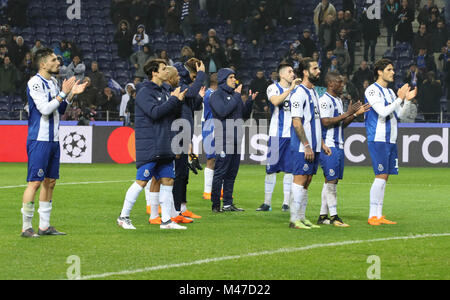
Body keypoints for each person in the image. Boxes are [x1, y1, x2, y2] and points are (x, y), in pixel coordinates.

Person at [21, 48, 87, 238]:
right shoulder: (35, 82)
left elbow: (61, 108)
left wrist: (71, 93)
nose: (58, 63)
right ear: (43, 64)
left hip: (53, 139)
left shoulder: (53, 82)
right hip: (39, 139)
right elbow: (45, 109)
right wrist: (63, 93)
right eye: (54, 60)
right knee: (34, 182)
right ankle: (26, 227)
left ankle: (44, 226)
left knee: (50, 182)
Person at [117, 59, 188, 230]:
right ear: (154, 72)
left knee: (168, 179)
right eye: (163, 69)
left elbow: (170, 115)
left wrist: (177, 101)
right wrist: (173, 100)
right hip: (150, 144)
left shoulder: (164, 91)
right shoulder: (144, 92)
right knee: (142, 181)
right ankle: (123, 217)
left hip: (163, 143)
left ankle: (166, 221)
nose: (166, 71)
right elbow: (155, 113)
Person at [364, 59, 417, 226]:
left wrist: (406, 100)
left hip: (391, 138)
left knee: (385, 177)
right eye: (389, 69)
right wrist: (399, 98)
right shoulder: (372, 90)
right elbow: (383, 111)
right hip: (378, 137)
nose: (393, 72)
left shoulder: (389, 92)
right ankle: (372, 215)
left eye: (393, 69)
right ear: (379, 72)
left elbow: (399, 115)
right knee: (380, 176)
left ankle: (379, 214)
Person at [317, 72, 370, 227]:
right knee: (331, 180)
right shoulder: (325, 101)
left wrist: (353, 115)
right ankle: (334, 217)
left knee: (331, 181)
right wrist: (348, 113)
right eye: (339, 83)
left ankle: (322, 215)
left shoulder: (338, 101)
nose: (342, 85)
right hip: (329, 145)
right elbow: (325, 122)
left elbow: (341, 123)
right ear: (331, 84)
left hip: (339, 144)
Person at [289, 58, 331, 230]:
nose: (318, 71)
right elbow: (297, 122)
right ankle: (294, 220)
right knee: (300, 179)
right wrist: (306, 145)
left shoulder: (313, 92)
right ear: (305, 72)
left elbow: (315, 121)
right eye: (315, 68)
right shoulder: (298, 93)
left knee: (307, 181)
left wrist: (320, 143)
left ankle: (302, 217)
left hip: (314, 145)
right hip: (302, 146)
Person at [209, 68, 255, 212]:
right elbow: (222, 112)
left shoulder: (235, 96)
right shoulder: (216, 95)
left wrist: (249, 103)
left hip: (236, 139)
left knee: (231, 173)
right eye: (231, 77)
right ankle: (216, 205)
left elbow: (244, 115)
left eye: (234, 77)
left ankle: (228, 204)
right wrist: (236, 96)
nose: (234, 80)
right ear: (223, 79)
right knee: (220, 172)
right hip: (224, 139)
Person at [256, 63, 300, 212]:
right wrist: (291, 89)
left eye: (293, 71)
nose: (292, 74)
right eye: (289, 71)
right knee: (271, 169)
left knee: (289, 170)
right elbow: (275, 101)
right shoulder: (273, 88)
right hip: (276, 135)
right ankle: (267, 203)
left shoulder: (297, 90)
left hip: (292, 136)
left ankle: (286, 203)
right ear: (281, 75)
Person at [172, 58, 206, 221]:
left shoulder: (187, 85)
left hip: (184, 134)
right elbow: (191, 94)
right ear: (191, 72)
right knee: (178, 173)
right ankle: (174, 210)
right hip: (177, 134)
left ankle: (182, 208)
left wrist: (200, 95)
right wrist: (201, 75)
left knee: (184, 173)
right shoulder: (179, 83)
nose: (197, 80)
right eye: (195, 76)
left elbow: (196, 103)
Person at [202, 73, 218, 200]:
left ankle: (217, 189)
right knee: (211, 159)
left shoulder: (210, 93)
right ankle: (207, 191)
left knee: (218, 159)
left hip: (215, 127)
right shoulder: (210, 94)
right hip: (211, 127)